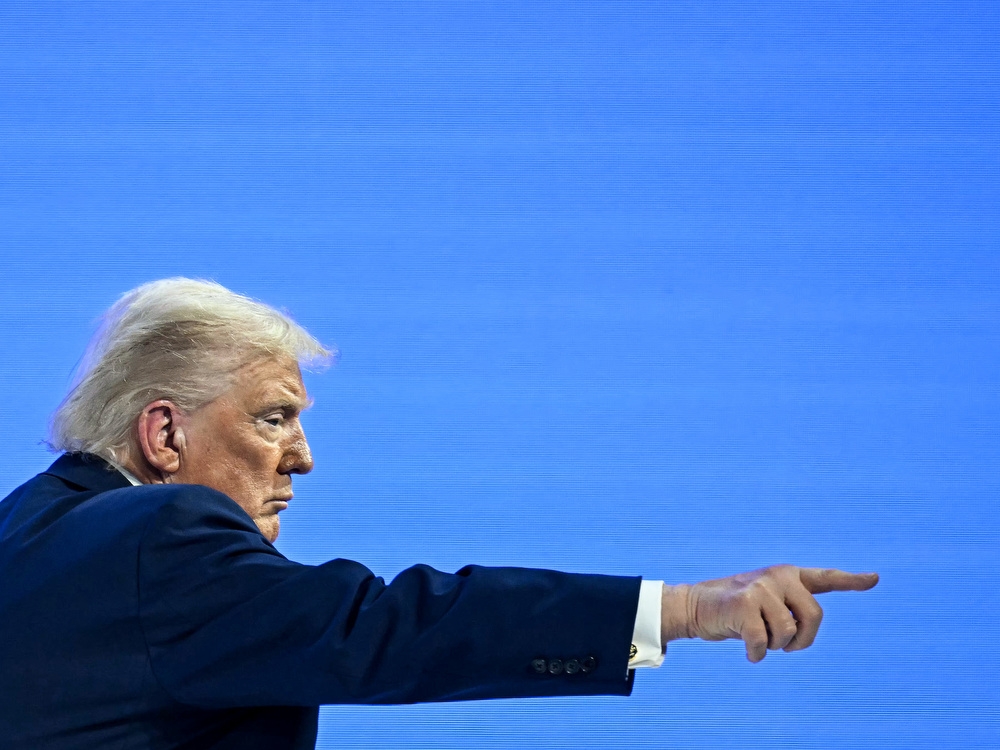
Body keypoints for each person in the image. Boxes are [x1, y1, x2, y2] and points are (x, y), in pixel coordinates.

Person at [0, 278, 879, 750]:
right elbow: (389, 627)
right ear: (164, 433)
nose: (302, 455)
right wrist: (688, 610)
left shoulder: (24, 532)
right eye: (274, 419)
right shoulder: (165, 540)